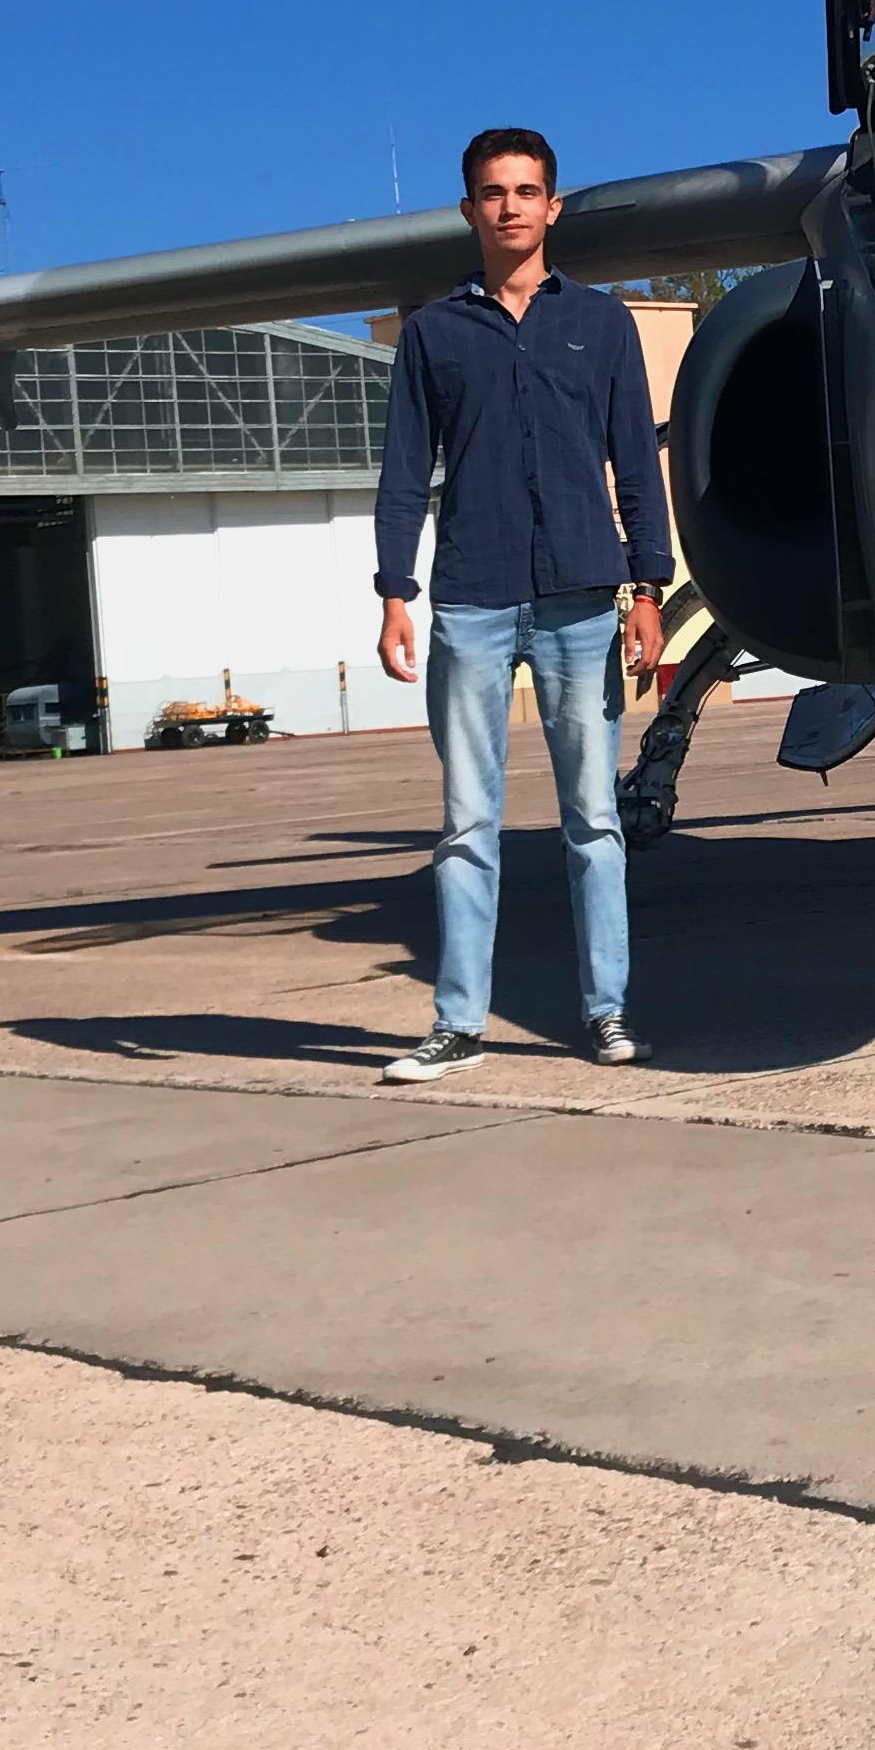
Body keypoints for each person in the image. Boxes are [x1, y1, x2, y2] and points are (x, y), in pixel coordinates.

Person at [373, 126, 671, 1078]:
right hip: (470, 600)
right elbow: (402, 474)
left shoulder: (603, 323)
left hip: (585, 601)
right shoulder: (432, 335)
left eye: (527, 191)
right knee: (467, 822)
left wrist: (648, 588)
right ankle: (458, 1023)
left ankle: (607, 1012)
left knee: (594, 819)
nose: (510, 207)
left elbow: (636, 460)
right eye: (493, 193)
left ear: (554, 206)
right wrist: (394, 592)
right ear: (470, 210)